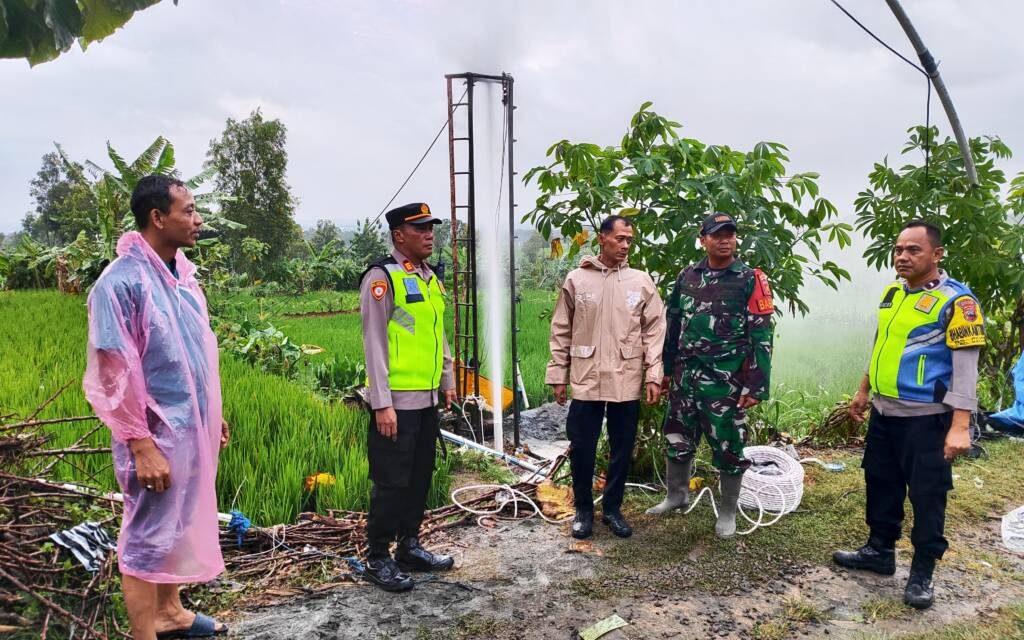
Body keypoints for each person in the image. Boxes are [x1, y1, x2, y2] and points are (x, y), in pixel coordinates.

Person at [83, 175, 229, 639]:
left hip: (191, 428)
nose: (197, 219)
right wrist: (140, 444)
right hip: (154, 433)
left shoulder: (181, 275)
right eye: (188, 210)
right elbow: (113, 372)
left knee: (180, 520)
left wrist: (212, 413)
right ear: (157, 217)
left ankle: (172, 611)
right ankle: (144, 633)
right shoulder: (120, 283)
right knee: (147, 535)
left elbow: (191, 355)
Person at [833, 220, 984, 610]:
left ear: (937, 254)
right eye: (899, 249)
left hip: (927, 418)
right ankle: (879, 552)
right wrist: (864, 390)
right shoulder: (892, 293)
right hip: (885, 412)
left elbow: (966, 367)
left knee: (928, 494)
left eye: (913, 250)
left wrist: (961, 426)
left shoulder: (958, 302)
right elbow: (882, 343)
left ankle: (922, 571)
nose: (902, 256)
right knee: (880, 482)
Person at [647, 212, 774, 539]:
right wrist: (665, 369)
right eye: (717, 234)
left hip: (726, 382)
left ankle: (728, 510)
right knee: (677, 437)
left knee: (728, 447)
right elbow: (673, 324)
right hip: (685, 378)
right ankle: (676, 495)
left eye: (730, 234)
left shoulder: (750, 279)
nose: (725, 240)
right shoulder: (687, 276)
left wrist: (756, 384)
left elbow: (762, 334)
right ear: (702, 239)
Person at [545, 215, 666, 539]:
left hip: (626, 378)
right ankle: (584, 509)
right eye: (620, 238)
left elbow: (654, 330)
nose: (626, 245)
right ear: (602, 238)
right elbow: (561, 329)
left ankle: (612, 508)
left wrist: (654, 374)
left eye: (630, 240)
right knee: (582, 445)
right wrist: (558, 375)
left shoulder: (640, 281)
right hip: (586, 378)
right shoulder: (577, 280)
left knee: (621, 446)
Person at [359, 202, 457, 592]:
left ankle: (409, 546)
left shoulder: (429, 278)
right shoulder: (382, 278)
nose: (430, 234)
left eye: (431, 227)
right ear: (399, 234)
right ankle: (378, 557)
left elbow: (433, 331)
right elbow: (375, 342)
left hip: (427, 399)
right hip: (396, 403)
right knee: (391, 481)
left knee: (418, 477)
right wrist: (381, 402)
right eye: (420, 228)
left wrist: (447, 378)